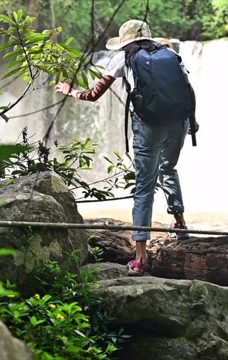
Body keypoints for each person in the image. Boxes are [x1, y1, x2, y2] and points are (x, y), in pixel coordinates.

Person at [54, 19, 199, 276]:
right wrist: (193, 122)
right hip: (178, 123)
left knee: (144, 186)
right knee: (169, 168)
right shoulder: (171, 55)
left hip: (148, 126)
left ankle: (140, 258)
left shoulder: (123, 56)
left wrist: (70, 91)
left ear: (125, 40)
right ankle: (180, 224)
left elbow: (94, 93)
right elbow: (189, 90)